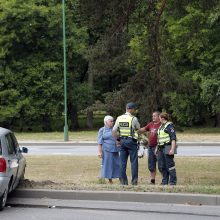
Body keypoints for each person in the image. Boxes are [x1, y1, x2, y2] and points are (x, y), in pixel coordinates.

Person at [112, 103, 140, 185]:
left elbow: (113, 131)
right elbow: (138, 128)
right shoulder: (133, 118)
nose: (134, 110)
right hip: (131, 141)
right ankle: (134, 181)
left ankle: (123, 181)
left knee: (122, 162)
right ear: (130, 109)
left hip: (122, 141)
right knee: (134, 162)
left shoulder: (119, 118)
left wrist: (117, 140)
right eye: (133, 109)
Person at [139, 111, 161, 184]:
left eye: (155, 116)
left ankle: (164, 180)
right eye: (152, 116)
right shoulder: (151, 124)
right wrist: (135, 129)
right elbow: (143, 129)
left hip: (158, 147)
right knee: (151, 165)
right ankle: (152, 180)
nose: (153, 117)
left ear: (159, 116)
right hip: (150, 147)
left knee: (161, 164)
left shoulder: (161, 124)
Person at [97, 115, 120, 184]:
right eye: (110, 121)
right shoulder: (102, 130)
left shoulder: (115, 129)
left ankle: (120, 178)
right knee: (108, 165)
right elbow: (99, 142)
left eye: (113, 121)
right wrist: (100, 152)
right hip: (106, 150)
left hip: (116, 150)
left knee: (117, 164)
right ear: (106, 122)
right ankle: (110, 180)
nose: (112, 122)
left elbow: (119, 138)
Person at [156, 112, 177, 185]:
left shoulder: (169, 126)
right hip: (161, 147)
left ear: (162, 118)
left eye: (159, 118)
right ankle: (164, 181)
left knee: (170, 165)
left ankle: (172, 182)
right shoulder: (161, 126)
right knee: (162, 166)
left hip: (168, 146)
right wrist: (157, 148)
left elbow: (173, 138)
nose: (159, 120)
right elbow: (159, 138)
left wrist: (172, 149)